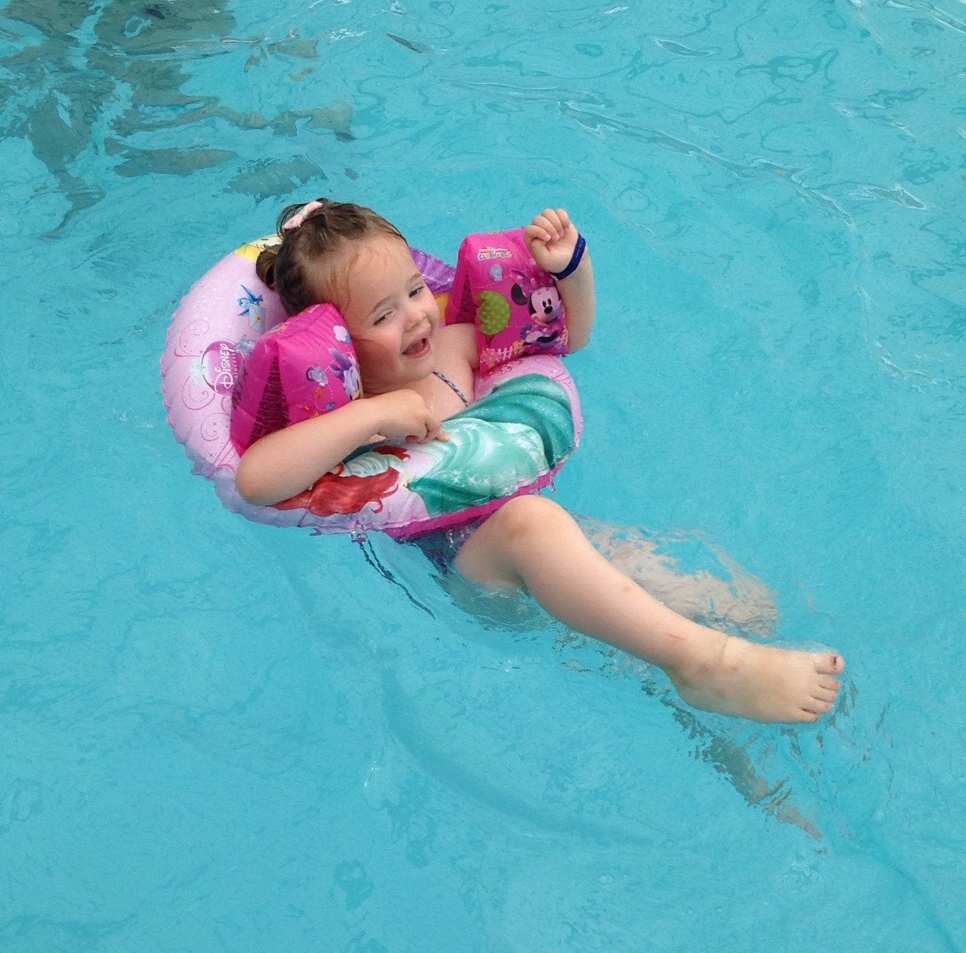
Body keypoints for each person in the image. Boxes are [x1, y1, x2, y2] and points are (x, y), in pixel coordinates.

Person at [236, 200, 845, 726]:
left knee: (741, 602)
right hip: (465, 570)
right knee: (535, 526)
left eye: (415, 291)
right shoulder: (352, 414)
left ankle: (729, 700)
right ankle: (703, 665)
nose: (417, 315)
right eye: (383, 315)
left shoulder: (455, 346)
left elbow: (568, 337)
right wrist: (372, 416)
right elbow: (257, 480)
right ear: (339, 341)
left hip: (544, 543)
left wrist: (571, 269)